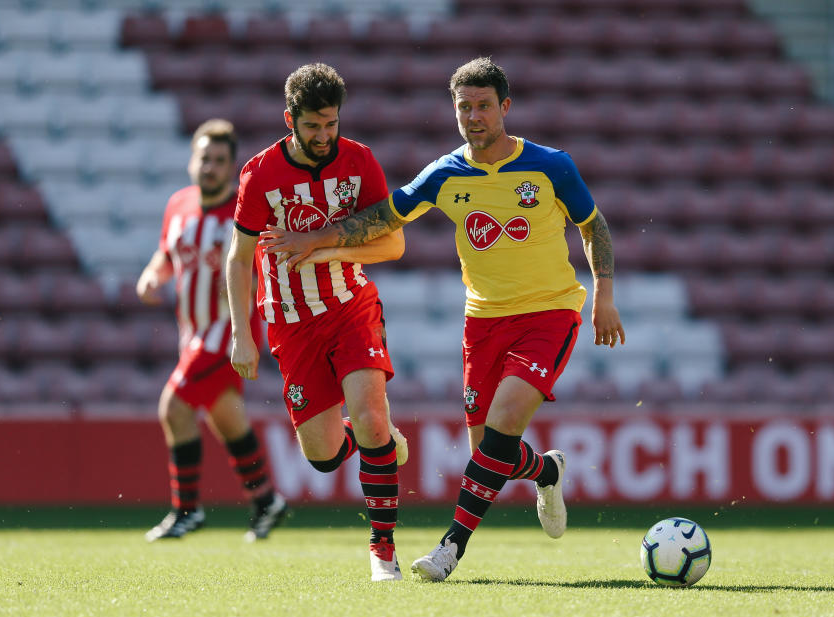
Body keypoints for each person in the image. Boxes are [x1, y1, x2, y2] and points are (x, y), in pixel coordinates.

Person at [258, 57, 626, 581]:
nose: (474, 117)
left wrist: (604, 296)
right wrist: (317, 240)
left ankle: (450, 548)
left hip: (550, 312)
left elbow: (595, 226)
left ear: (505, 108)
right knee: (490, 454)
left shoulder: (551, 166)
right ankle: (546, 469)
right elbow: (379, 218)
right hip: (482, 320)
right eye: (463, 107)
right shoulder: (446, 173)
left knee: (499, 434)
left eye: (483, 106)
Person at [225, 63, 410, 582]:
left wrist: (323, 242)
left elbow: (394, 243)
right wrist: (242, 332)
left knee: (371, 419)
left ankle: (382, 551)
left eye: (330, 124)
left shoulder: (360, 162)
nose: (324, 136)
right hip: (289, 321)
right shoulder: (260, 173)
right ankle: (373, 440)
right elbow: (239, 258)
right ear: (290, 120)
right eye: (312, 126)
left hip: (351, 305)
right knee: (324, 457)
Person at [136, 118, 287, 543]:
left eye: (220, 160)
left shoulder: (244, 209)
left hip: (227, 333)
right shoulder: (178, 205)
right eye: (205, 158)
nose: (210, 167)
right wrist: (152, 275)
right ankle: (266, 500)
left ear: (231, 165)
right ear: (192, 161)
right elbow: (168, 253)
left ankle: (186, 510)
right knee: (228, 421)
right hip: (193, 331)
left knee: (174, 409)